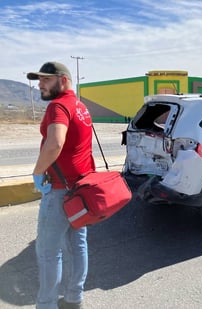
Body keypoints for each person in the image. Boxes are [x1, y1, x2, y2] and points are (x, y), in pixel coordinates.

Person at [27, 62, 95, 309]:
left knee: (48, 252)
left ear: (63, 81)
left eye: (45, 80)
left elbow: (55, 143)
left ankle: (46, 304)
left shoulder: (58, 106)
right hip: (80, 190)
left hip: (59, 191)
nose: (40, 85)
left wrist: (37, 173)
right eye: (39, 81)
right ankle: (74, 298)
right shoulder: (80, 107)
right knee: (77, 244)